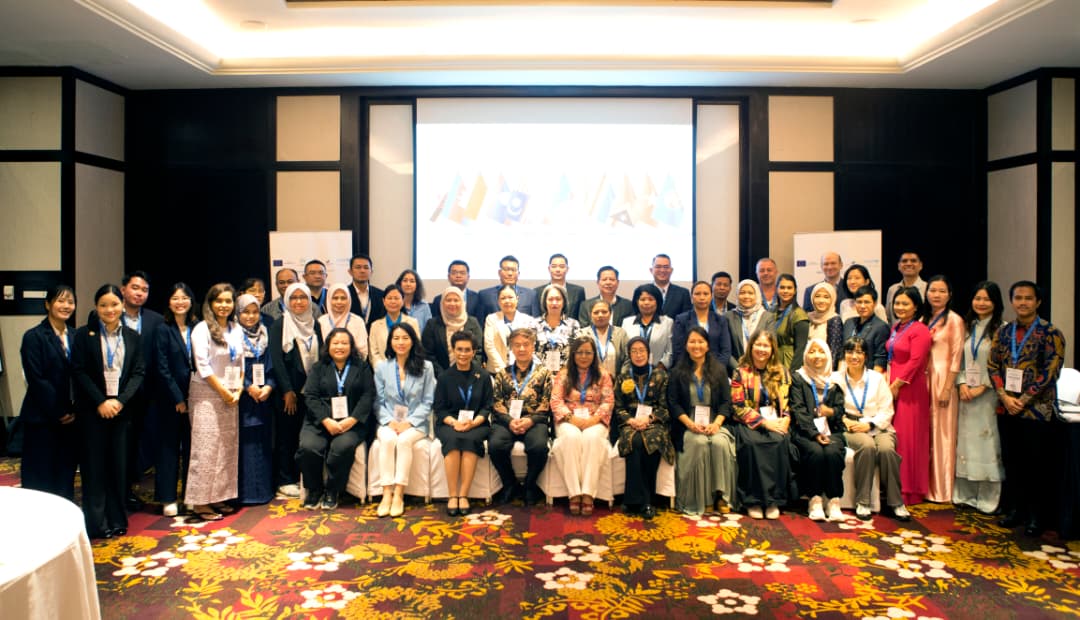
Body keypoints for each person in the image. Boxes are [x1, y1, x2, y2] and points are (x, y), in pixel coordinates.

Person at [989, 281, 1066, 537]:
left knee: (1035, 465)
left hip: (1036, 411)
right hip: (1006, 408)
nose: (1023, 302)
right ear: (1012, 301)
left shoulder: (1050, 333)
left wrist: (1023, 399)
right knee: (1012, 461)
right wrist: (1004, 396)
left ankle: (1036, 516)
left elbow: (1050, 372)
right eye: (1018, 298)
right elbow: (993, 365)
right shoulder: (1004, 332)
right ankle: (1016, 511)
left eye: (1028, 298)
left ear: (1038, 302)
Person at [72, 284, 145, 538]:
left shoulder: (133, 337)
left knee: (118, 468)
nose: (109, 309)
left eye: (114, 304)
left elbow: (138, 372)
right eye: (103, 305)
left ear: (122, 306)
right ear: (96, 307)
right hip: (93, 412)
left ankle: (117, 519)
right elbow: (79, 371)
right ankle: (96, 523)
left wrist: (120, 401)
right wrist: (101, 402)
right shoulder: (84, 335)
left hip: (121, 412)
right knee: (94, 468)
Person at [297, 327, 374, 510]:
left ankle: (333, 490)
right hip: (320, 421)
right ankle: (314, 490)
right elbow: (310, 396)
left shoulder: (361, 367)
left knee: (341, 447)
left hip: (352, 422)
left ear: (351, 346)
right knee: (309, 447)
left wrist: (351, 420)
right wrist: (326, 420)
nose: (340, 347)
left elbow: (368, 396)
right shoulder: (319, 367)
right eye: (336, 343)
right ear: (328, 346)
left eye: (344, 343)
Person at [185, 283, 244, 521]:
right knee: (206, 448)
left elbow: (241, 361)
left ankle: (218, 496)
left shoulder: (235, 328)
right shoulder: (201, 329)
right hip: (206, 393)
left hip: (231, 392)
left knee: (226, 448)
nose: (224, 305)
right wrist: (223, 391)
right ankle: (200, 503)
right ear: (210, 303)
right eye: (219, 301)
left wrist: (238, 389)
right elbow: (203, 365)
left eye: (228, 301)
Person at [837, 336, 909, 521]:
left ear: (866, 356)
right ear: (844, 355)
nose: (854, 356)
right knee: (867, 446)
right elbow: (833, 407)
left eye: (859, 352)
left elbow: (887, 410)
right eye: (850, 352)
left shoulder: (877, 379)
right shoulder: (836, 378)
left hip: (878, 426)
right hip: (851, 427)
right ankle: (863, 501)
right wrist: (844, 421)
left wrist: (869, 424)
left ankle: (896, 502)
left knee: (886, 449)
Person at [19, 284, 78, 501]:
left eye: (70, 302)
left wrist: (74, 409)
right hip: (42, 417)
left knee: (65, 473)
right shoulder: (33, 337)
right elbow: (36, 379)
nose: (66, 306)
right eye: (60, 301)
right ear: (48, 304)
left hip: (71, 419)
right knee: (40, 475)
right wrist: (59, 410)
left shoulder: (76, 335)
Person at [668, 326, 736, 515]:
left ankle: (721, 496)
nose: (696, 345)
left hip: (714, 421)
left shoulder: (719, 370)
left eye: (700, 341)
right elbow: (673, 403)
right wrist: (690, 424)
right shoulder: (677, 372)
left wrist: (717, 424)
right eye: (692, 341)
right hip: (687, 423)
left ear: (707, 345)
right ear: (686, 345)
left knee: (720, 443)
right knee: (699, 443)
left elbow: (726, 402)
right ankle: (702, 498)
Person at [730, 330, 795, 520]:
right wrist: (764, 423)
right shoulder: (740, 372)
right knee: (752, 444)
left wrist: (786, 419)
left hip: (776, 421)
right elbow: (737, 406)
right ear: (751, 347)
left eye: (766, 345)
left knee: (780, 442)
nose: (762, 349)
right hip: (749, 422)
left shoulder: (782, 372)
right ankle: (753, 501)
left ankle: (773, 500)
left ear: (772, 349)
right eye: (758, 344)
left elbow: (787, 402)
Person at [953, 281, 1005, 514]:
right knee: (965, 442)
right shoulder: (968, 326)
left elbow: (1003, 364)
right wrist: (962, 382)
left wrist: (983, 386)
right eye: (977, 298)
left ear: (995, 302)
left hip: (989, 395)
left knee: (987, 443)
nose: (981, 303)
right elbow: (960, 359)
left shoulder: (1002, 329)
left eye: (986, 299)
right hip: (966, 394)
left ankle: (987, 498)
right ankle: (964, 494)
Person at [373, 323, 436, 518]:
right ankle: (386, 494)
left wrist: (409, 422)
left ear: (413, 341)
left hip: (416, 422)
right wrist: (389, 421)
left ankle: (399, 494)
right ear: (390, 342)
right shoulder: (382, 367)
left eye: (405, 338)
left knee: (403, 441)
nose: (400, 342)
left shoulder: (426, 367)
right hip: (388, 420)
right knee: (388, 439)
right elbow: (378, 401)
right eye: (396, 338)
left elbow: (428, 401)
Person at [269, 283, 325, 500]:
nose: (299, 302)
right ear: (287, 301)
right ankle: (285, 479)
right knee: (287, 435)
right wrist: (287, 391)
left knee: (306, 436)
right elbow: (277, 360)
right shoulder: (280, 324)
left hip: (310, 392)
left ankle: (303, 478)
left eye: (303, 297)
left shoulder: (315, 323)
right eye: (294, 298)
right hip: (289, 393)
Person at [550, 335, 615, 516]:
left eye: (588, 352)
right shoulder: (563, 374)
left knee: (591, 438)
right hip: (568, 419)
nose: (584, 356)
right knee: (571, 438)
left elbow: (608, 401)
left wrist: (594, 419)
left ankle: (588, 493)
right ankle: (574, 493)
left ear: (594, 355)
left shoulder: (603, 375)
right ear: (573, 354)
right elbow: (556, 401)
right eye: (580, 352)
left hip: (595, 419)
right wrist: (572, 418)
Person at [613, 337, 674, 519]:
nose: (638, 355)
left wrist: (649, 419)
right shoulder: (623, 377)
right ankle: (635, 500)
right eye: (634, 351)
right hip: (630, 422)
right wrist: (631, 420)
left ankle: (646, 501)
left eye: (642, 351)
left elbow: (665, 408)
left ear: (648, 353)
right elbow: (618, 408)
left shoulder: (660, 376)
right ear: (629, 354)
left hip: (654, 422)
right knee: (635, 441)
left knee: (650, 441)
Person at [491, 328, 553, 506]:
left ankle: (529, 486)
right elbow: (497, 402)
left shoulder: (544, 373)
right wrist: (510, 421)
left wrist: (530, 420)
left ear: (533, 347)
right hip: (507, 421)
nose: (522, 349)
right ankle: (509, 484)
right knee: (495, 446)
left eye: (526, 344)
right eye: (517, 345)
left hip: (534, 420)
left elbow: (546, 402)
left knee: (539, 447)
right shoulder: (503, 373)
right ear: (511, 348)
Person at [434, 331, 493, 516]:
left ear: (474, 352)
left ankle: (464, 495)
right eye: (459, 349)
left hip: (476, 423)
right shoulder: (444, 377)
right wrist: (454, 423)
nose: (463, 354)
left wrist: (473, 423)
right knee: (452, 441)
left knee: (470, 440)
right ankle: (453, 495)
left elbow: (487, 407)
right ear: (453, 350)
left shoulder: (483, 376)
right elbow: (440, 409)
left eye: (467, 350)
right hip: (449, 423)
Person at [119, 270, 164, 510]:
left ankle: (132, 489)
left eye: (144, 290)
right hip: (117, 394)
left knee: (140, 443)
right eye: (135, 288)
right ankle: (119, 491)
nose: (139, 293)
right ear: (123, 289)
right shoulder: (109, 314)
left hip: (147, 394)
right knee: (119, 445)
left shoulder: (156, 320)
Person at [151, 283, 197, 516]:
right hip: (170, 400)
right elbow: (161, 367)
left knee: (193, 448)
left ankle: (191, 495)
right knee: (168, 448)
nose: (180, 302)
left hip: (197, 396)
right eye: (175, 298)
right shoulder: (162, 329)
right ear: (169, 302)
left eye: (184, 297)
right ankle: (167, 497)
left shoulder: (198, 327)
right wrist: (178, 398)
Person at [789, 339, 846, 521]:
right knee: (815, 452)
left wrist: (831, 412)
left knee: (833, 452)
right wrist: (814, 433)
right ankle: (814, 499)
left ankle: (833, 499)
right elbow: (798, 409)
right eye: (812, 351)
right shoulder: (798, 378)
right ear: (806, 355)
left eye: (821, 351)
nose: (816, 356)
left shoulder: (835, 381)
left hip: (832, 430)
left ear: (828, 355)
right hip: (805, 431)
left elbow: (840, 410)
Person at [887, 286, 932, 506]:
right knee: (897, 438)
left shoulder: (920, 329)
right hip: (893, 386)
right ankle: (896, 486)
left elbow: (916, 361)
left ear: (916, 306)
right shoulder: (897, 327)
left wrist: (897, 383)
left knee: (909, 439)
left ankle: (910, 489)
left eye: (905, 303)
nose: (900, 307)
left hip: (910, 388)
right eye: (897, 303)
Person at [923, 275, 964, 503]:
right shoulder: (924, 318)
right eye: (933, 290)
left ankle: (942, 489)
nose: (936, 295)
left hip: (943, 380)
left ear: (949, 295)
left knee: (942, 435)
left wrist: (948, 388)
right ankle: (925, 485)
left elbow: (956, 357)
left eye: (941, 291)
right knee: (927, 434)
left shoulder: (955, 320)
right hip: (924, 379)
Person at [235, 294, 275, 505]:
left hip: (263, 397)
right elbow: (229, 367)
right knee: (245, 445)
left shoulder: (265, 334)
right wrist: (247, 386)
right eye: (245, 312)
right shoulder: (232, 336)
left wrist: (269, 386)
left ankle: (263, 491)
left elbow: (272, 365)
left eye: (255, 312)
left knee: (263, 442)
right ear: (237, 313)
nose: (250, 316)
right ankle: (246, 493)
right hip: (241, 398)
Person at [673, 280, 734, 370]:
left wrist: (715, 370)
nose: (702, 297)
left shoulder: (721, 320)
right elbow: (678, 351)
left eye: (706, 294)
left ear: (711, 296)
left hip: (716, 370)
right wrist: (693, 371)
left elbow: (726, 351)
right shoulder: (681, 319)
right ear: (692, 297)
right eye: (697, 294)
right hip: (688, 370)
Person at [422, 286, 484, 374]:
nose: (452, 303)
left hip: (469, 375)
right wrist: (444, 376)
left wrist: (468, 371)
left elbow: (478, 351)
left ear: (462, 302)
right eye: (448, 300)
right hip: (440, 376)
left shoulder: (473, 322)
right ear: (442, 303)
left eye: (456, 300)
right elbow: (428, 354)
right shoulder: (432, 324)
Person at [483, 284, 536, 374]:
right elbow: (489, 346)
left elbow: (531, 346)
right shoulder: (491, 319)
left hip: (522, 370)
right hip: (496, 370)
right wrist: (503, 371)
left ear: (517, 299)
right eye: (503, 298)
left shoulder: (528, 320)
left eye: (510, 297)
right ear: (498, 301)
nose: (507, 301)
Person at [726, 279, 775, 372]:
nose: (746, 296)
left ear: (757, 295)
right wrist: (739, 370)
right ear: (737, 295)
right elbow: (726, 349)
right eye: (742, 293)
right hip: (735, 371)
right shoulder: (728, 317)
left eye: (750, 293)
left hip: (761, 370)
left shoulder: (767, 317)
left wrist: (758, 368)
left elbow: (771, 346)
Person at [368, 284, 421, 369]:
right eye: (389, 298)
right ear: (384, 301)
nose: (393, 301)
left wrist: (405, 369)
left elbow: (416, 348)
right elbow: (374, 354)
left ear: (403, 301)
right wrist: (384, 370)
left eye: (396, 298)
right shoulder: (375, 325)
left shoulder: (412, 322)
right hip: (383, 371)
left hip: (408, 369)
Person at [621, 283, 673, 369]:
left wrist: (658, 370)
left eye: (651, 299)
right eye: (642, 299)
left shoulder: (667, 322)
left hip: (659, 371)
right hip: (632, 371)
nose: (646, 303)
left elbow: (670, 352)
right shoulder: (627, 322)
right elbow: (624, 350)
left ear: (657, 301)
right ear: (637, 302)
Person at [841, 286, 889, 373]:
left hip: (868, 374)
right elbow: (842, 352)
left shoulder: (881, 326)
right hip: (847, 373)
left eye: (867, 302)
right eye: (859, 302)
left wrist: (873, 379)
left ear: (875, 304)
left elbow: (880, 358)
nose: (862, 306)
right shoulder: (849, 323)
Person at [534, 284, 581, 373]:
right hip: (539, 375)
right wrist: (544, 373)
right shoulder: (534, 324)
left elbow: (577, 352)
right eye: (550, 299)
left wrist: (563, 372)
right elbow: (530, 352)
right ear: (544, 302)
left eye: (558, 299)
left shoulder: (573, 325)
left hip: (566, 375)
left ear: (564, 302)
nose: (554, 303)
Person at [317, 282, 369, 361]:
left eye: (343, 298)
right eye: (335, 298)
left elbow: (363, 351)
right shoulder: (321, 321)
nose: (339, 302)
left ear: (349, 299)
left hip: (353, 365)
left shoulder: (357, 321)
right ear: (329, 299)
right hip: (325, 365)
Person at [580, 299, 628, 379]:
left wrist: (621, 378)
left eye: (604, 312)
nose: (600, 315)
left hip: (616, 382)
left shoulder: (621, 333)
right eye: (596, 312)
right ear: (590, 315)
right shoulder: (582, 334)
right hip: (589, 382)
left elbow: (627, 358)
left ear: (611, 314)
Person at [773, 274, 809, 371]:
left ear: (795, 291)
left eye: (789, 288)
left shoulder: (799, 315)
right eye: (782, 287)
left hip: (789, 363)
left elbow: (800, 349)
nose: (785, 291)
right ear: (776, 289)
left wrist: (792, 373)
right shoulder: (771, 311)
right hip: (772, 362)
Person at [534, 253, 586, 321]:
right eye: (554, 266)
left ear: (567, 269)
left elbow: (580, 317)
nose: (558, 270)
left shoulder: (578, 291)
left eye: (562, 266)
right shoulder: (537, 292)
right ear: (549, 269)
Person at [806, 282, 843, 369]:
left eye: (826, 297)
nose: (821, 301)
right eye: (817, 296)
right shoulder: (807, 317)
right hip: (806, 368)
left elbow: (833, 352)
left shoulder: (834, 320)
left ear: (832, 299)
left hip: (824, 370)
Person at [885, 252, 928, 324]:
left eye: (913, 261)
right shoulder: (892, 289)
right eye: (904, 261)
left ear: (920, 265)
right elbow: (889, 318)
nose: (908, 264)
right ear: (899, 266)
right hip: (896, 330)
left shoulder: (928, 289)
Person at [346, 254, 385, 324]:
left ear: (371, 272)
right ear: (350, 271)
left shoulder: (381, 295)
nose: (362, 271)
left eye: (366, 267)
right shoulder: (345, 294)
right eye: (358, 267)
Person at [650, 254, 692, 318]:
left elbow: (686, 319)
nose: (662, 270)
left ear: (671, 270)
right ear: (651, 270)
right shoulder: (642, 292)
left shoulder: (683, 293)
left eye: (666, 267)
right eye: (658, 267)